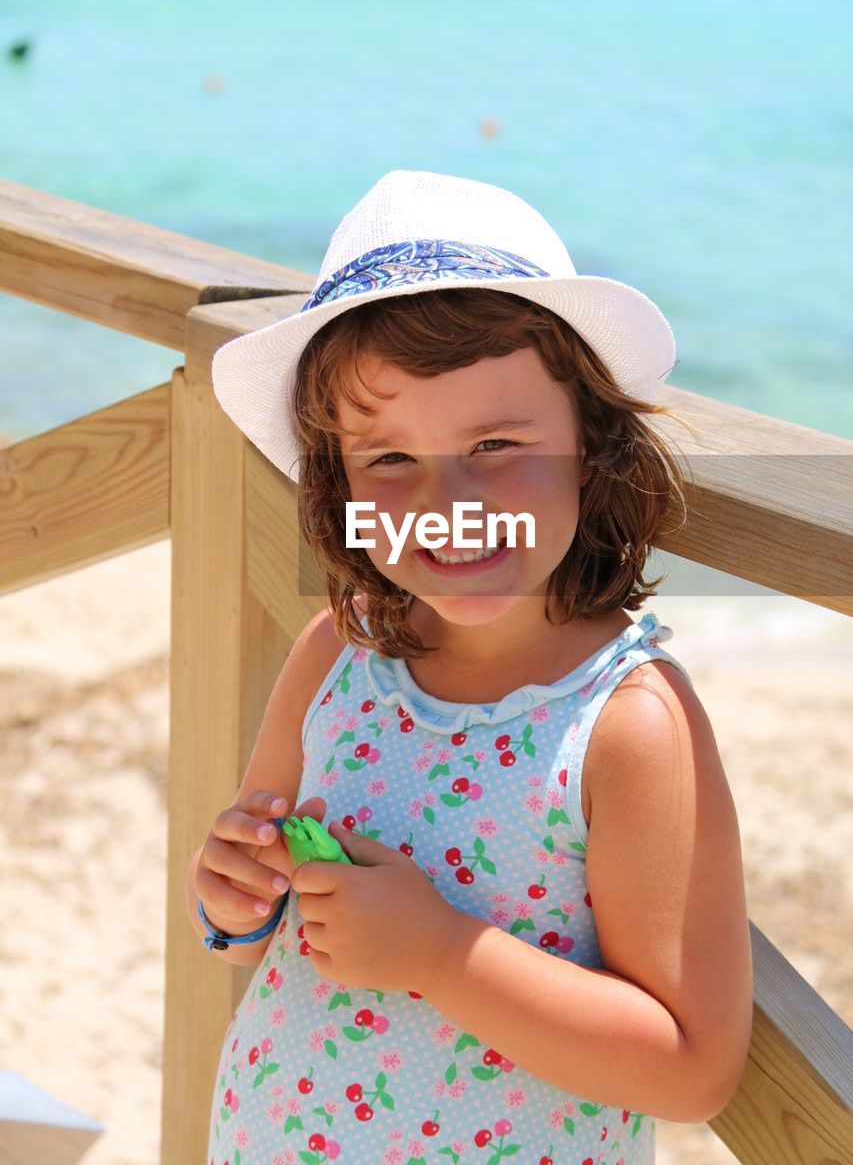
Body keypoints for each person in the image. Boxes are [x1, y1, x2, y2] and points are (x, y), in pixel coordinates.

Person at [188, 169, 754, 1164]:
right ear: (340, 486)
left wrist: (444, 954)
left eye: (494, 442)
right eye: (390, 459)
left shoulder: (624, 723)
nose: (446, 502)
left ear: (590, 447)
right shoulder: (336, 654)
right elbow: (262, 881)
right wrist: (234, 895)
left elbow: (690, 1064)